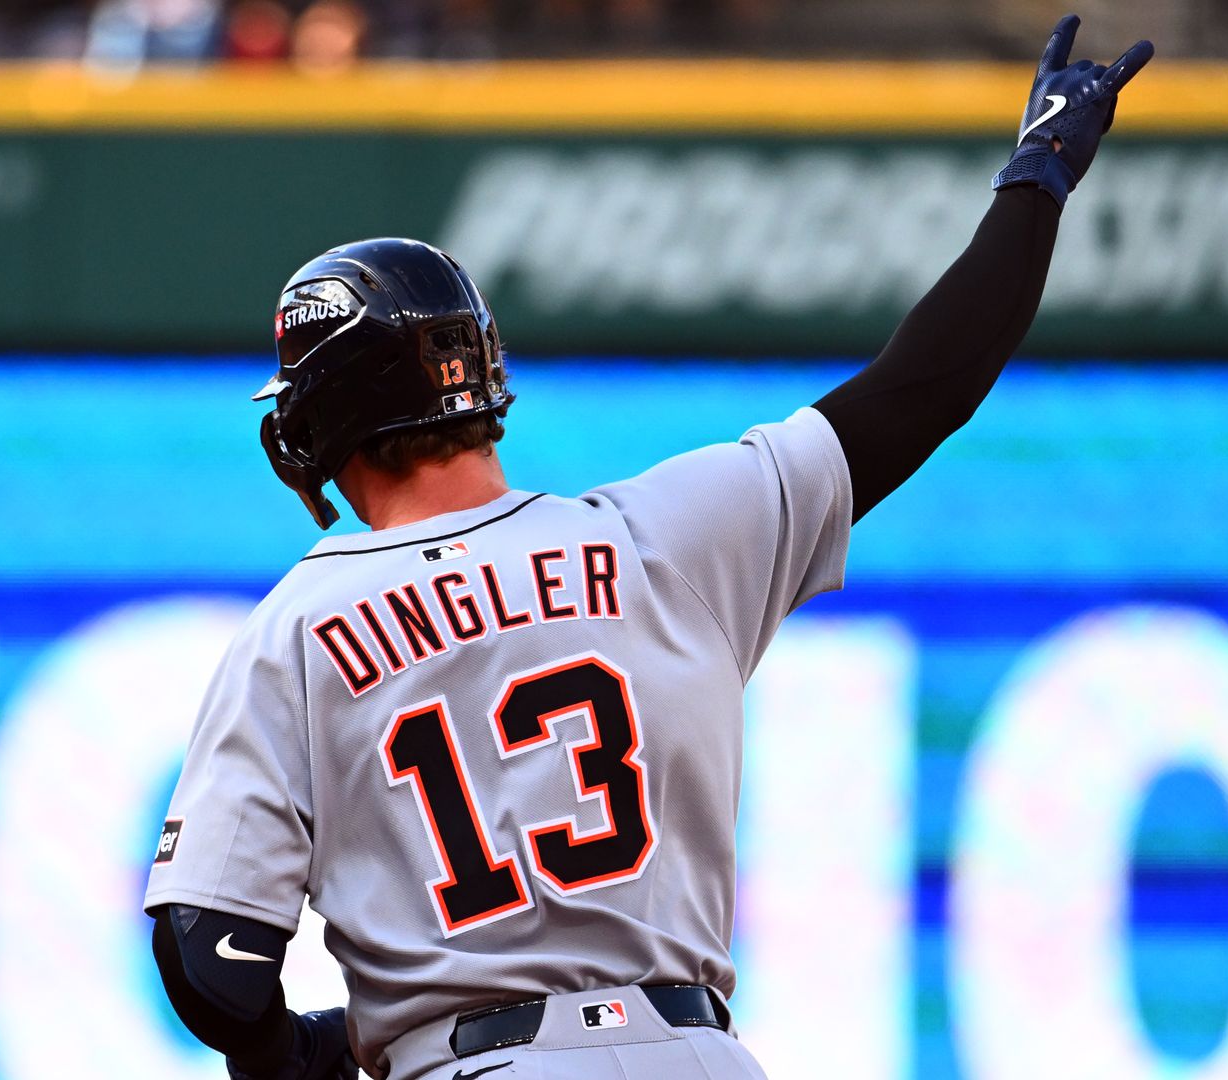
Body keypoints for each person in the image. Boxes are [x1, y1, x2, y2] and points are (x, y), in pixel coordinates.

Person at [144, 15, 1153, 1080]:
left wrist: (294, 1054)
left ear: (326, 414)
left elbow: (212, 960)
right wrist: (1038, 177)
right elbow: (924, 386)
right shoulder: (669, 534)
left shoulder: (303, 627)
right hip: (699, 1055)